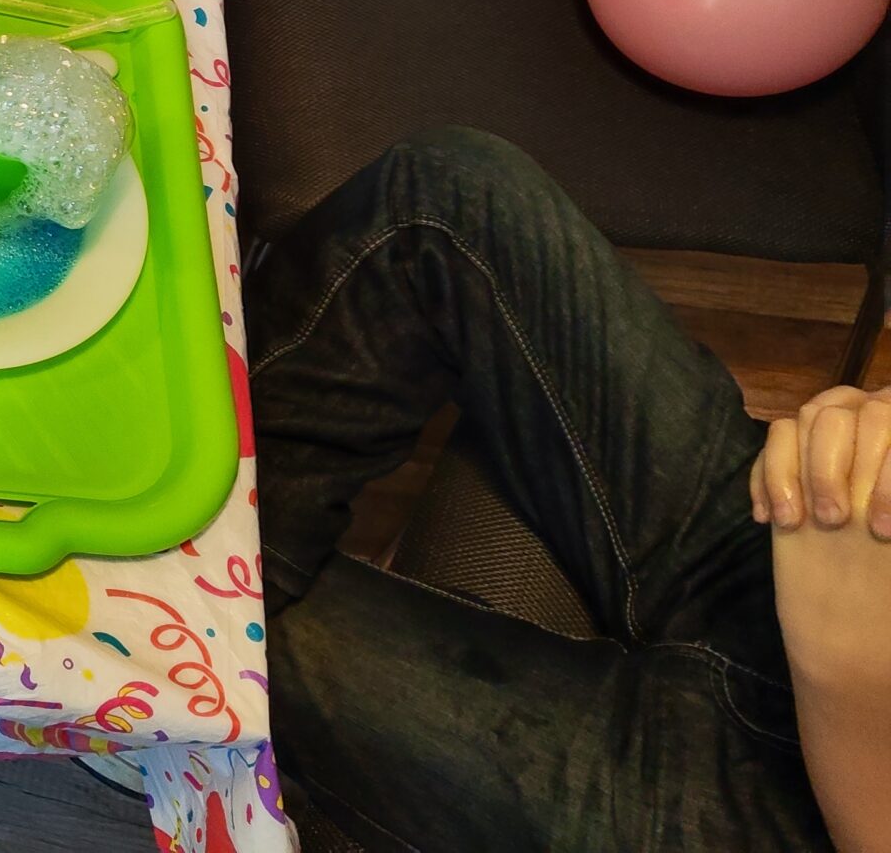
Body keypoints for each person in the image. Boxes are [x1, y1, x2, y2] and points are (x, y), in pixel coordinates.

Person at [248, 128, 891, 852]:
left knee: (225, 639)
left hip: (791, 806)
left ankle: (181, 593)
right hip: (797, 560)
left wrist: (840, 672)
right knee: (444, 197)